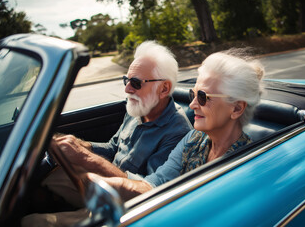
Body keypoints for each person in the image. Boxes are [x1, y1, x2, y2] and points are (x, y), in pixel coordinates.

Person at [21, 41, 192, 227]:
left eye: (135, 83)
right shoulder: (138, 108)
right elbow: (113, 147)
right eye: (126, 80)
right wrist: (82, 146)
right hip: (103, 183)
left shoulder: (177, 132)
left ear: (164, 89)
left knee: (32, 222)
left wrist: (86, 158)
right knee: (37, 178)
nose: (127, 89)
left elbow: (143, 190)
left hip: (126, 206)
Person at [92, 50, 265, 201]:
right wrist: (89, 178)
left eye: (203, 97)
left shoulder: (242, 164)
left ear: (236, 108)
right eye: (193, 94)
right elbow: (155, 185)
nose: (192, 105)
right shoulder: (193, 139)